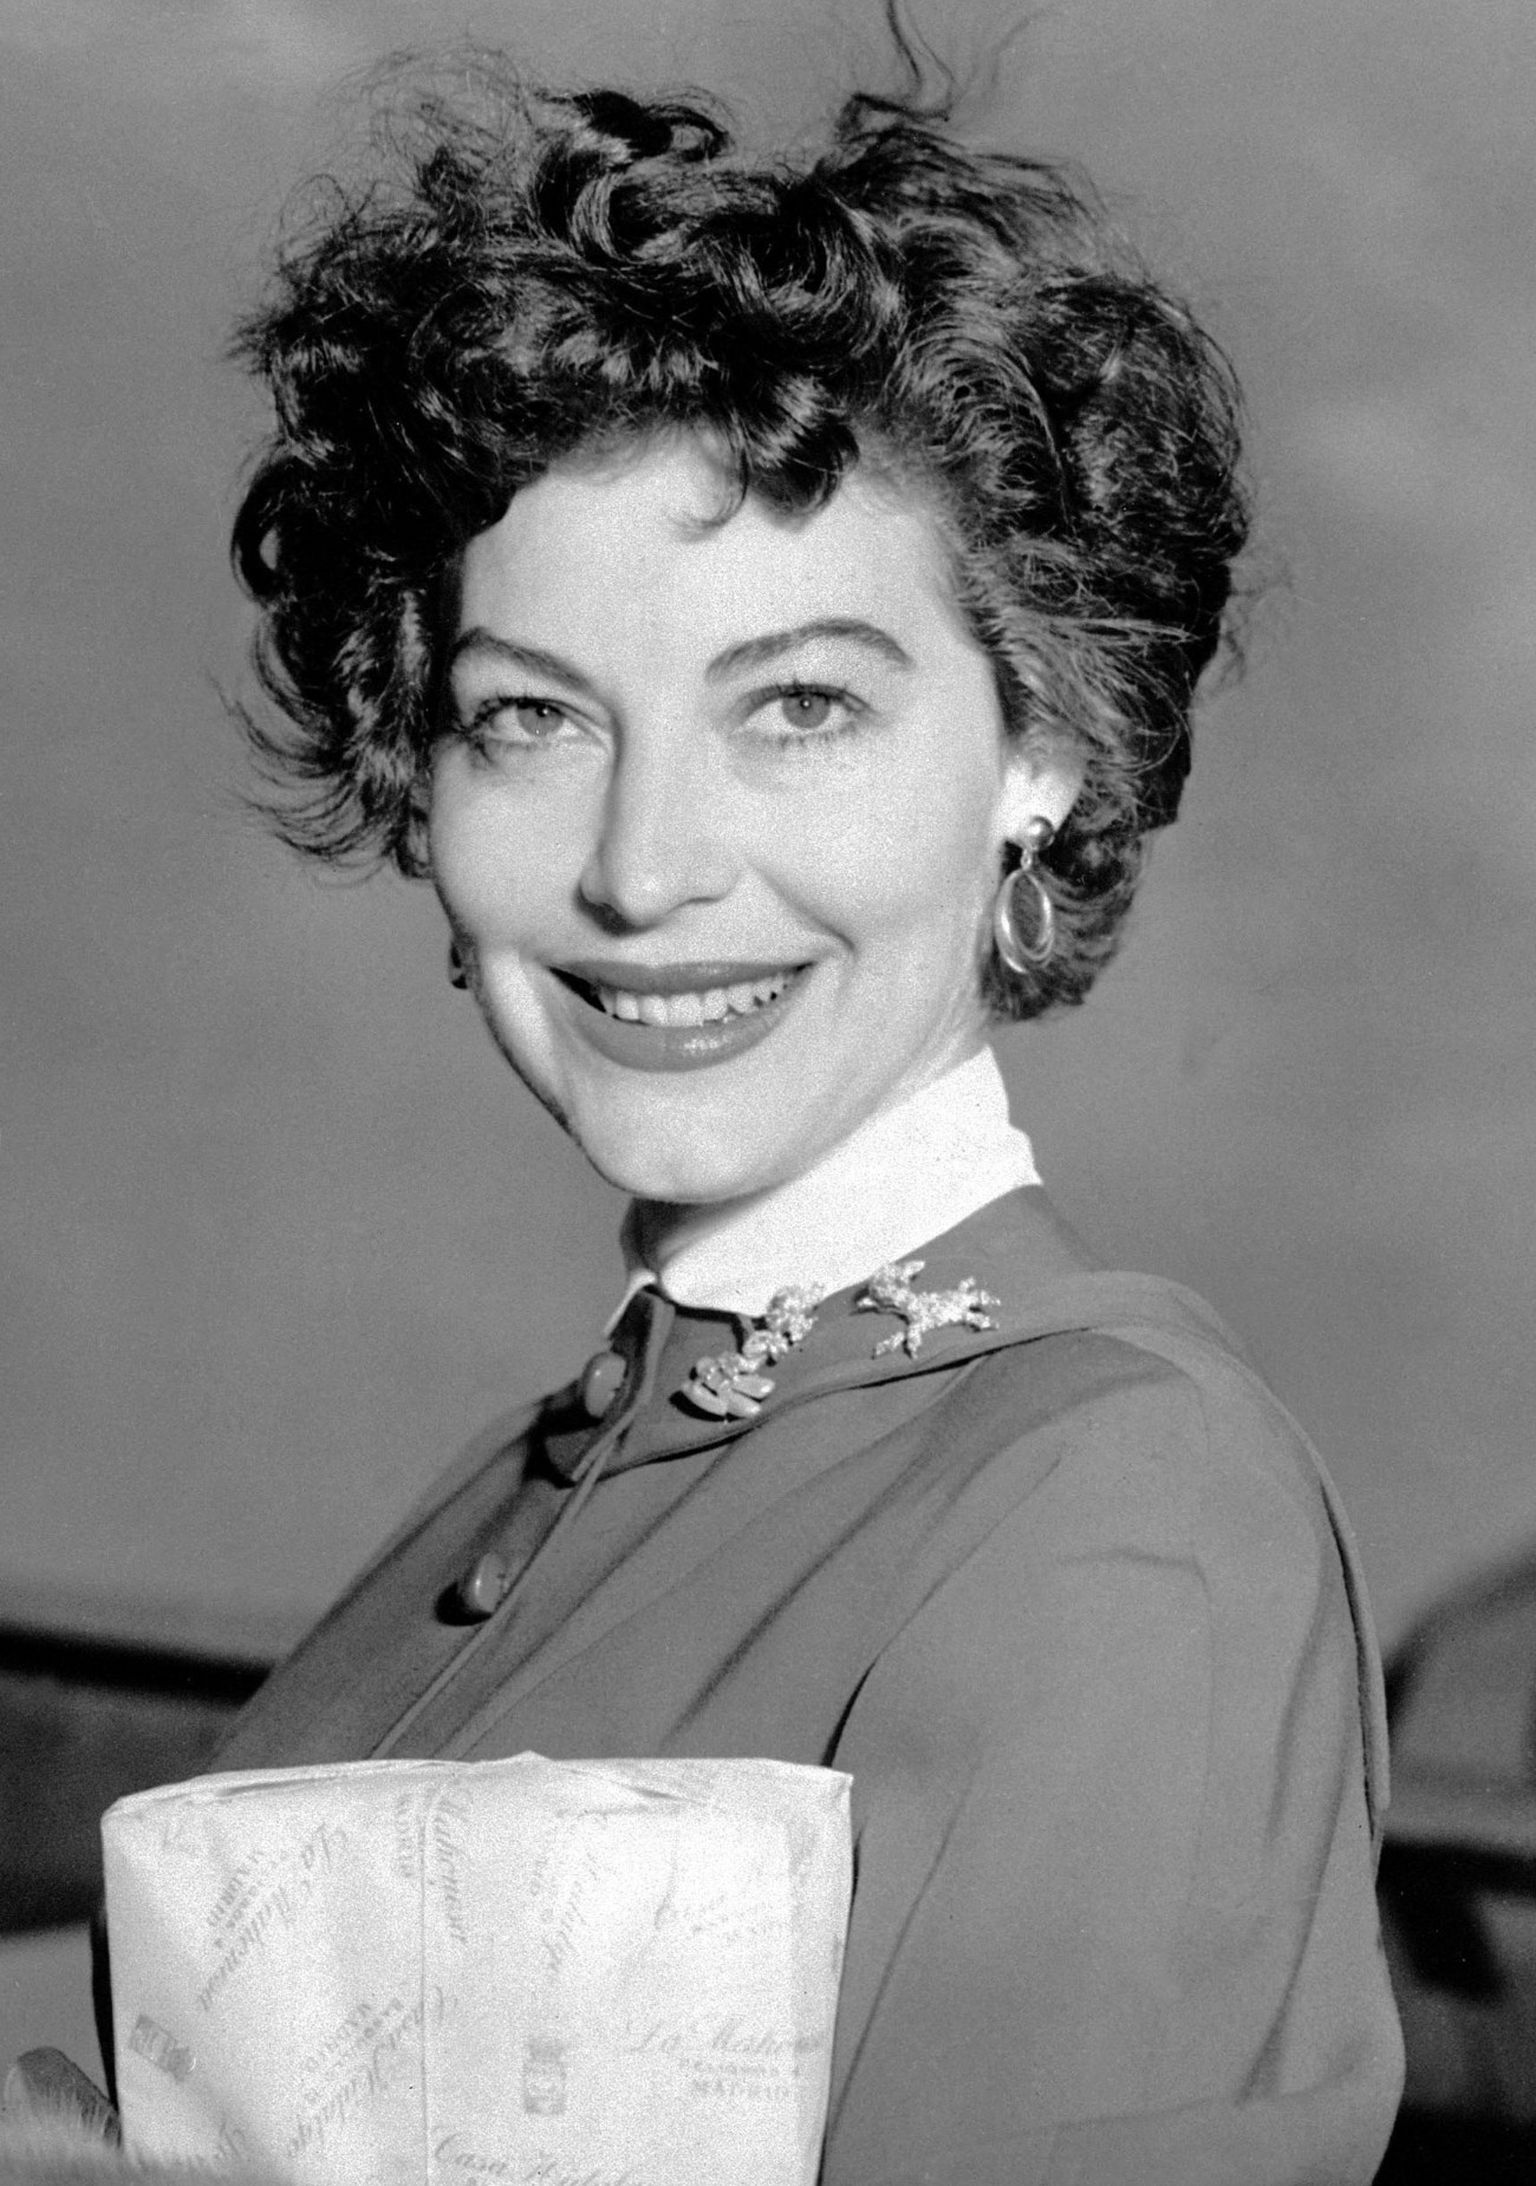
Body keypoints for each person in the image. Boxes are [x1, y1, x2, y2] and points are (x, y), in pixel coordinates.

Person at [67, 37, 1404, 2186]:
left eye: (796, 705)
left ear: (1043, 746)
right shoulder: (560, 1463)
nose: (642, 868)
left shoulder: (1125, 1518)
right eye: (531, 718)